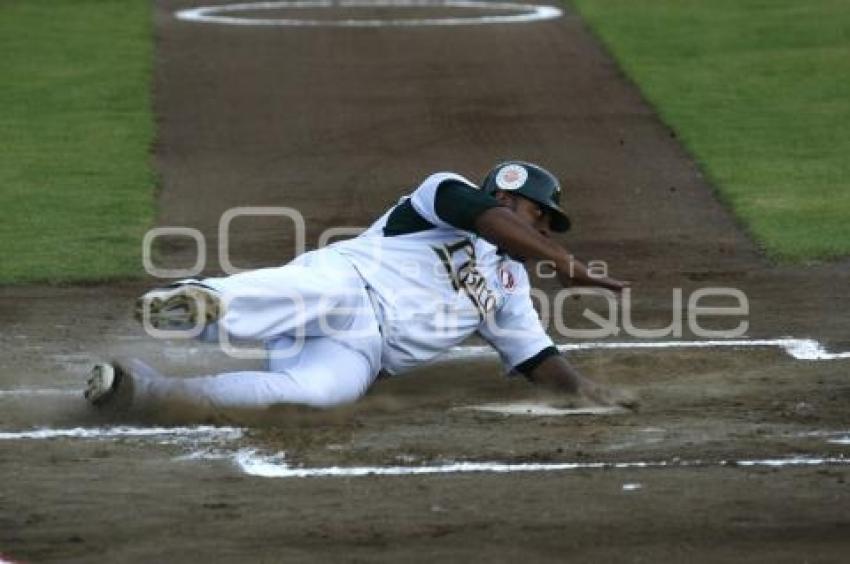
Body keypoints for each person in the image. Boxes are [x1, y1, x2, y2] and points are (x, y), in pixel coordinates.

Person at [84, 161, 635, 416]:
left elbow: (538, 358)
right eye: (539, 216)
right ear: (505, 197)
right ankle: (200, 303)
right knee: (311, 293)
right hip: (346, 283)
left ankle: (143, 392)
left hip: (358, 353)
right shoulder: (443, 195)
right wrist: (563, 259)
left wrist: (592, 394)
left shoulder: (511, 288)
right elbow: (486, 219)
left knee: (318, 395)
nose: (541, 230)